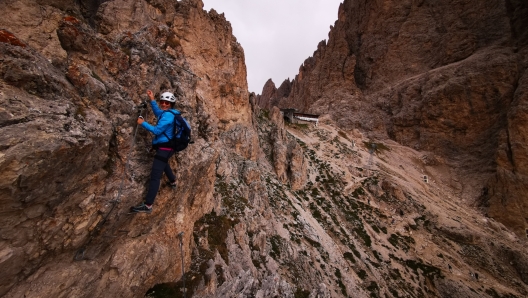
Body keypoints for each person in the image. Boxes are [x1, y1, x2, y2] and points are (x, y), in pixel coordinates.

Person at [130, 89, 181, 213]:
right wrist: (152, 99)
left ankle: (148, 205)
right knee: (163, 164)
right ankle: (173, 181)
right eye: (162, 102)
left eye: (166, 103)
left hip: (164, 148)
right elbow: (158, 113)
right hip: (168, 147)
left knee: (155, 176)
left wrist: (143, 123)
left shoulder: (168, 116)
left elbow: (157, 131)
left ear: (171, 104)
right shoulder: (170, 113)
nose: (164, 104)